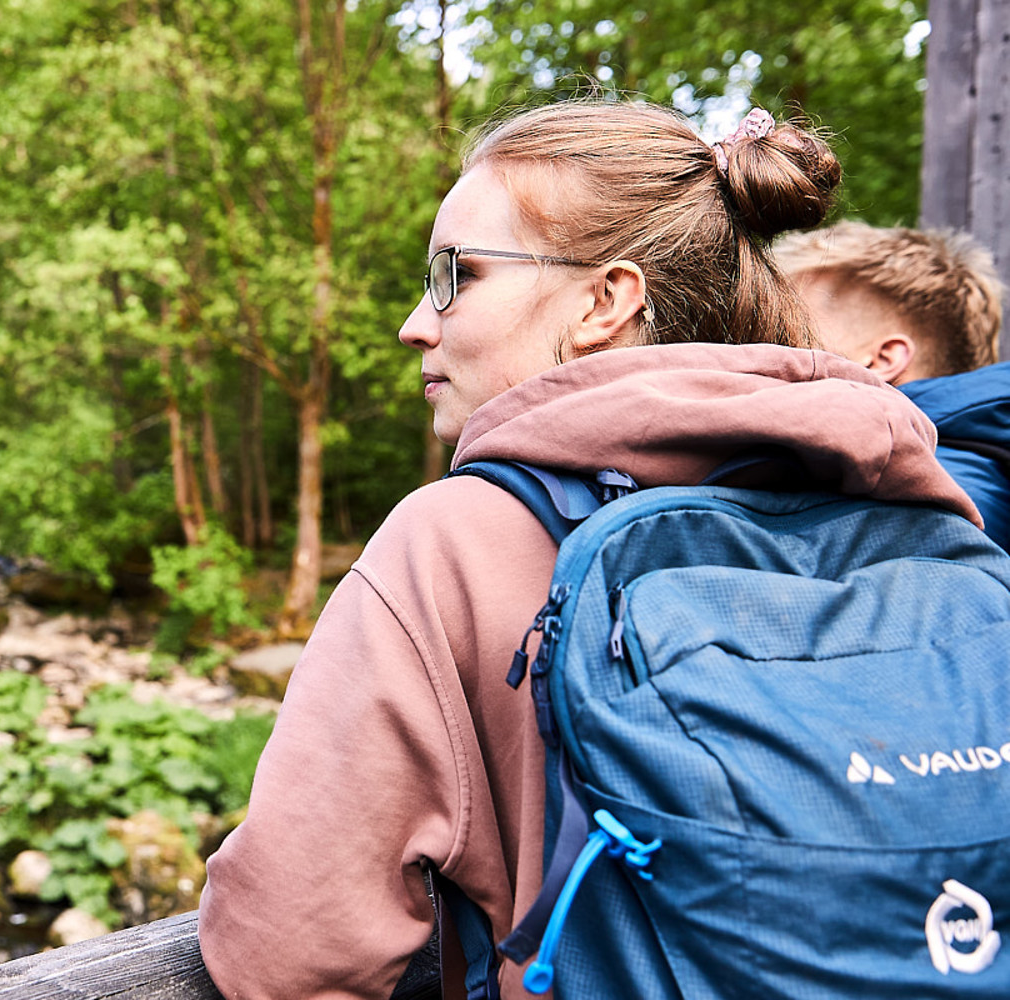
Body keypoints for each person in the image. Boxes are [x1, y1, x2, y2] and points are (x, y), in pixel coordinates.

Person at [195, 102, 979, 1000]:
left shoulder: (452, 542)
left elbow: (290, 955)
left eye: (455, 275)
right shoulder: (914, 506)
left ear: (608, 299)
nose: (417, 322)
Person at [774, 221, 1010, 548]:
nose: (763, 352)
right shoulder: (960, 474)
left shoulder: (924, 498)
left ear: (882, 360)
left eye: (788, 336)